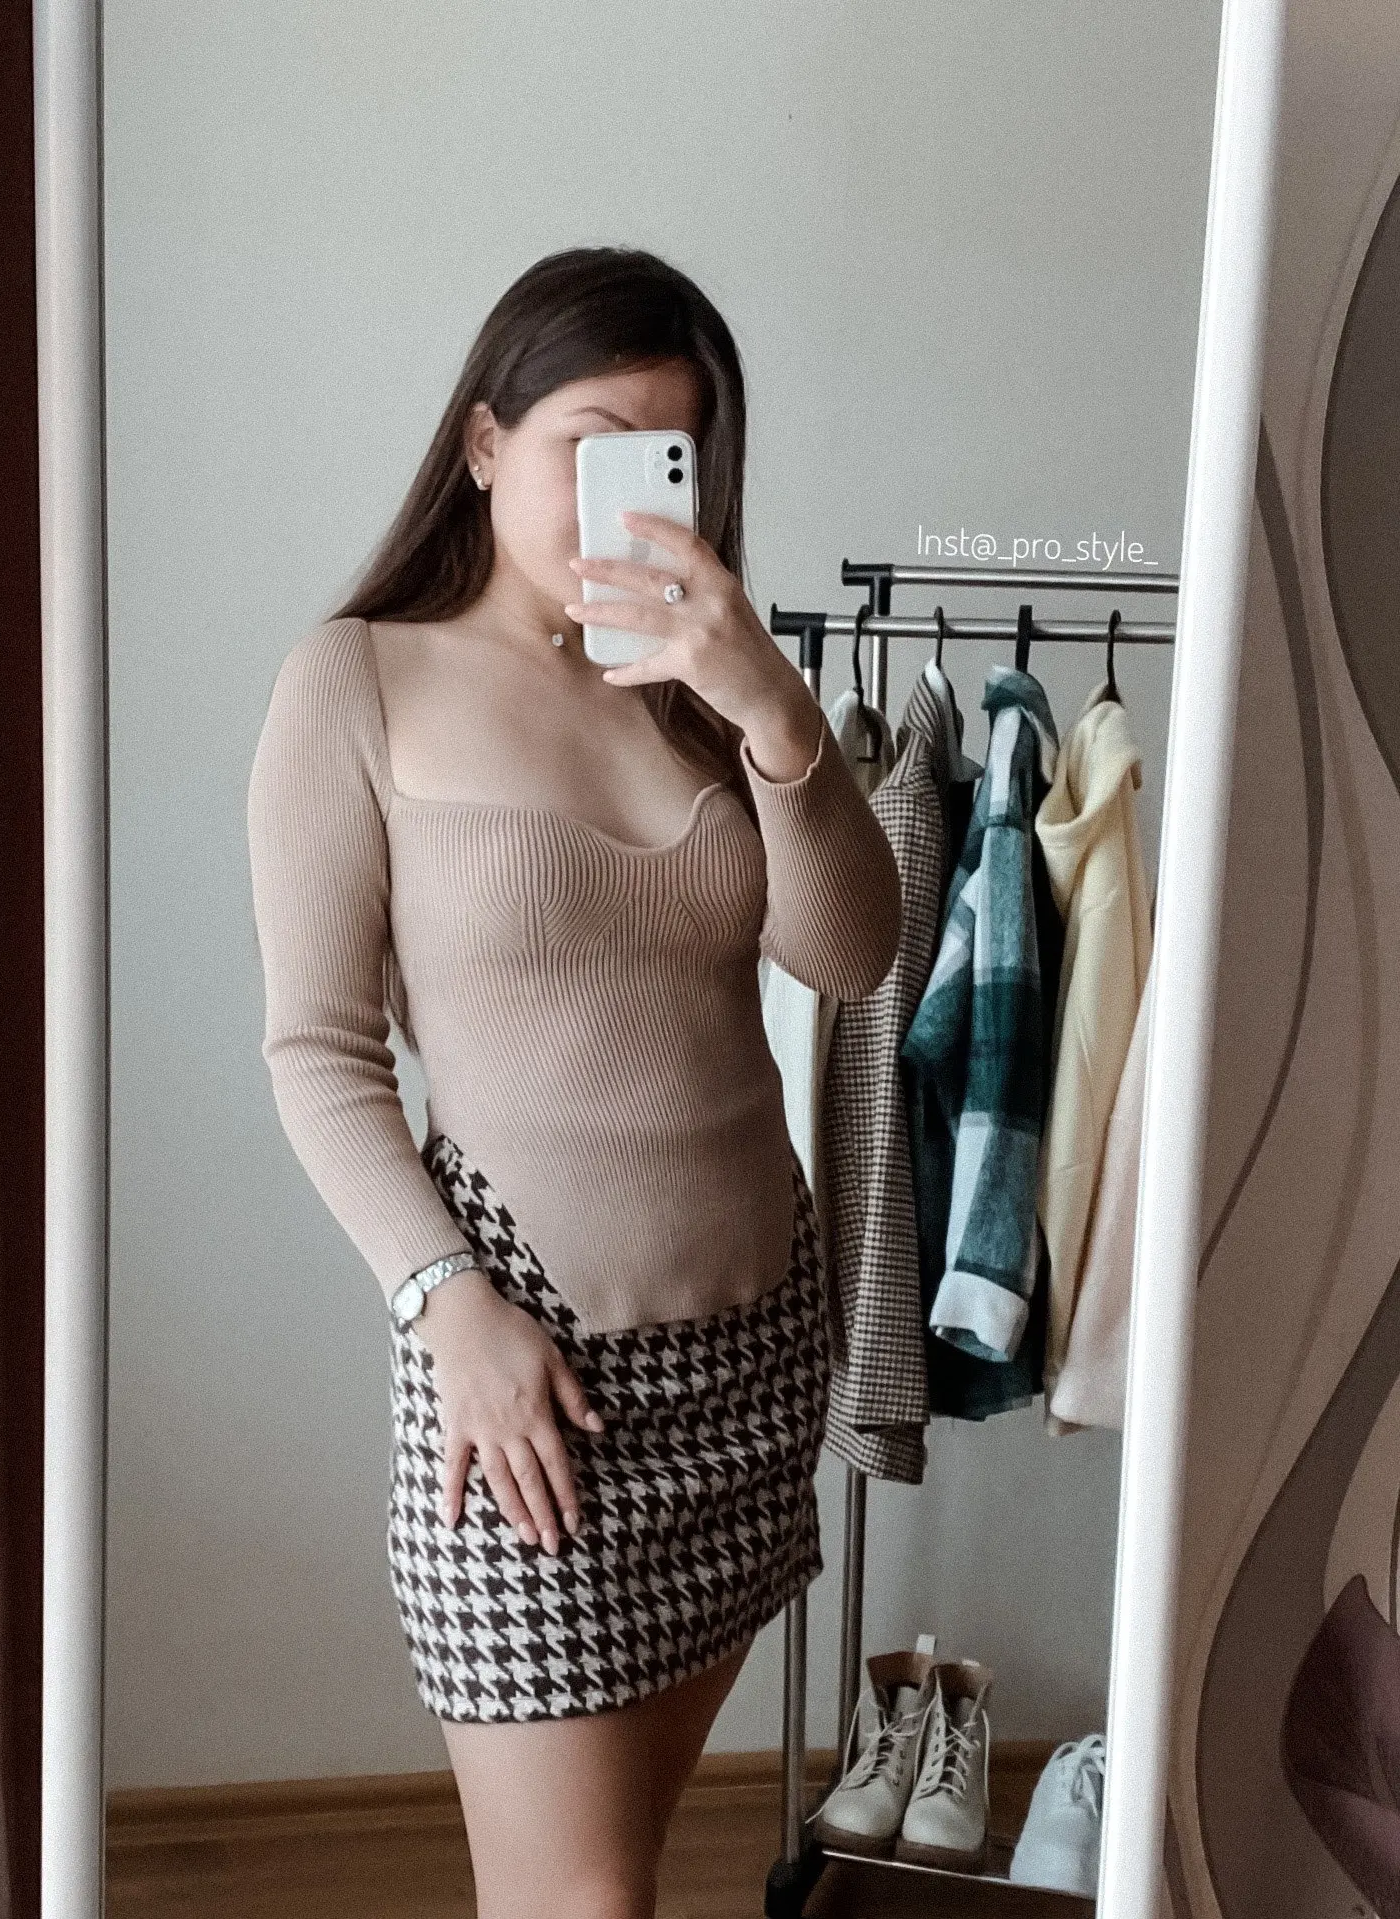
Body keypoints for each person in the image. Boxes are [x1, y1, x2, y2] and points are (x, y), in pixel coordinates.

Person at [245, 246, 901, 1919]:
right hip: (529, 1384)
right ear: (483, 443)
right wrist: (445, 1309)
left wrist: (765, 702)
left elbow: (849, 952)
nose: (632, 494)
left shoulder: (698, 696)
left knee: (620, 1873)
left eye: (669, 455)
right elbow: (317, 1051)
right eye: (591, 445)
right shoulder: (358, 679)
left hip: (751, 1361)